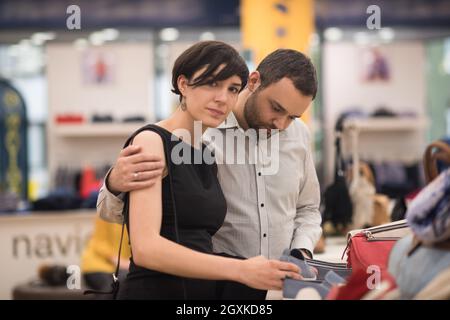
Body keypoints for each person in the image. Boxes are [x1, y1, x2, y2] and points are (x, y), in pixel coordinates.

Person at [99, 47, 322, 299]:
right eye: (276, 108)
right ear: (255, 82)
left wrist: (299, 254)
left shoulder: (201, 148)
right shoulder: (167, 139)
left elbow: (308, 208)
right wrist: (115, 183)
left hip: (246, 292)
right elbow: (140, 239)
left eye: (232, 89)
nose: (281, 124)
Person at [81, 215, 131, 296]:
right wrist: (117, 260)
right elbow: (99, 242)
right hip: (96, 265)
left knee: (121, 283)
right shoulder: (107, 209)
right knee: (112, 286)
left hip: (122, 268)